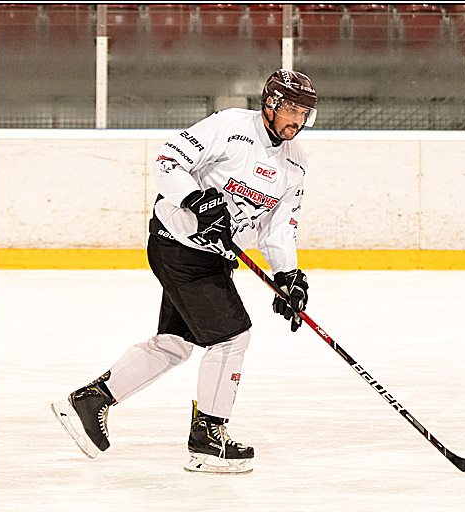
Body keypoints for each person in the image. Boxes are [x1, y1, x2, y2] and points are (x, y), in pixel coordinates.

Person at [52, 69, 319, 475]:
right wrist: (196, 200)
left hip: (214, 258)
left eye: (304, 113)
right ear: (269, 104)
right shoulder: (231, 126)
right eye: (290, 109)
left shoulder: (295, 161)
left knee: (175, 343)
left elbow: (279, 226)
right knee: (232, 337)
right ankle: (208, 440)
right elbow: (167, 161)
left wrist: (289, 276)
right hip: (177, 245)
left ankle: (91, 401)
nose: (296, 120)